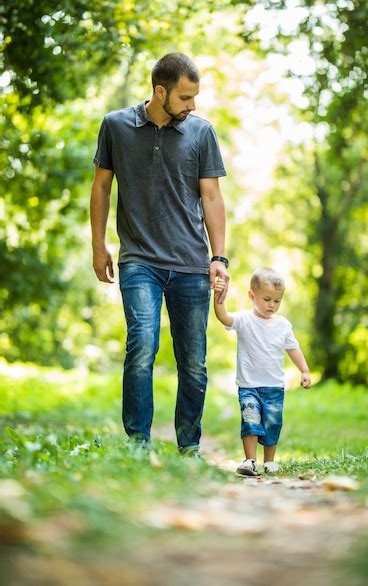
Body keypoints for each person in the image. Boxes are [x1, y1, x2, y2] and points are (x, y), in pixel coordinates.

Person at [90, 52, 229, 456]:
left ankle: (189, 446)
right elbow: (101, 187)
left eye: (195, 97)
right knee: (142, 346)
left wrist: (219, 258)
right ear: (160, 91)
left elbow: (212, 196)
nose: (193, 106)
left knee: (194, 362)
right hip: (139, 260)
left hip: (190, 264)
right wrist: (99, 245)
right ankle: (138, 443)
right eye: (185, 98)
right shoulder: (116, 126)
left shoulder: (201, 133)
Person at [214, 267, 311, 476]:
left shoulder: (283, 325)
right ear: (252, 295)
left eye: (277, 301)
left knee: (272, 423)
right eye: (267, 299)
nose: (272, 305)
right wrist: (218, 298)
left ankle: (269, 461)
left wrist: (304, 370)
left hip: (274, 386)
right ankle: (249, 461)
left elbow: (293, 349)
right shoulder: (244, 320)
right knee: (250, 420)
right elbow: (223, 317)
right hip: (249, 385)